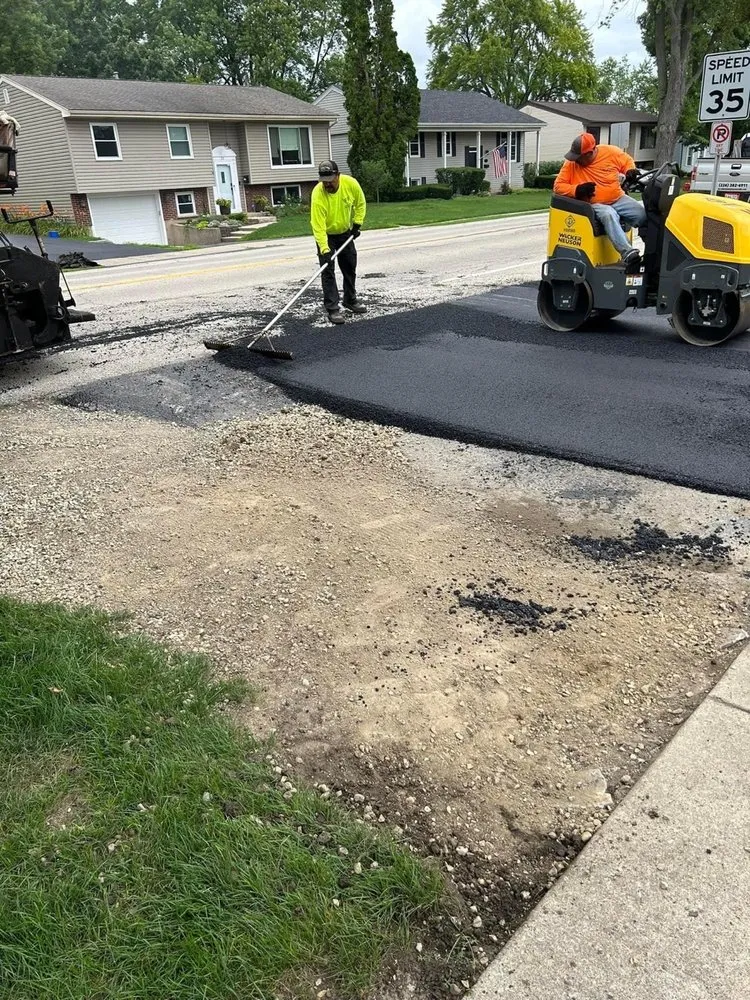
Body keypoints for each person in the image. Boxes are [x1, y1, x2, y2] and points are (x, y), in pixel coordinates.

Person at [554, 132, 645, 265]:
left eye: (579, 157)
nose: (575, 160)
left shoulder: (610, 152)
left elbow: (626, 161)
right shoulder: (571, 164)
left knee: (642, 215)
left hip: (617, 198)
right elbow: (558, 186)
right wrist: (577, 190)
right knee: (609, 214)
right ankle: (627, 252)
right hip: (593, 204)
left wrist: (630, 170)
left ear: (589, 153)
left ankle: (653, 252)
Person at [310, 159, 367, 324]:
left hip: (344, 232)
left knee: (350, 266)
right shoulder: (318, 194)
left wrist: (357, 224)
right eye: (323, 182)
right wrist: (325, 249)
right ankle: (333, 309)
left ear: (338, 176)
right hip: (326, 235)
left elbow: (360, 203)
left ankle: (350, 300)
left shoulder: (351, 184)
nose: (327, 185)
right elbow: (318, 225)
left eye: (330, 181)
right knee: (328, 271)